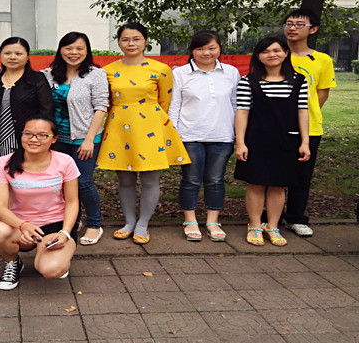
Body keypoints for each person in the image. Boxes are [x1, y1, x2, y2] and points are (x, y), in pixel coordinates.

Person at [97, 22, 190, 244]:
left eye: (136, 38)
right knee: (124, 179)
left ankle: (143, 223)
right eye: (125, 39)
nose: (131, 43)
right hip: (119, 127)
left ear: (145, 41)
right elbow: (105, 102)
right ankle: (129, 221)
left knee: (150, 179)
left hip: (151, 126)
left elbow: (165, 101)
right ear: (119, 42)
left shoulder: (160, 69)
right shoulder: (106, 71)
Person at [0, 114, 80, 290]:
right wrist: (23, 225)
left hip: (55, 225)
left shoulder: (65, 161)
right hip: (20, 226)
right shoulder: (3, 163)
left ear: (54, 139)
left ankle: (53, 256)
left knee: (51, 270)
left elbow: (72, 202)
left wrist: (65, 232)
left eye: (42, 135)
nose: (34, 139)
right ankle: (13, 262)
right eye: (28, 134)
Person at [234, 37, 310, 247]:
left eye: (276, 50)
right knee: (256, 183)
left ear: (286, 53)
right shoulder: (248, 81)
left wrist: (305, 142)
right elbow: (242, 112)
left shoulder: (299, 80)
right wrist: (240, 142)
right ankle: (255, 225)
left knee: (278, 186)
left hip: (287, 140)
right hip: (257, 140)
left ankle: (273, 226)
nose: (272, 55)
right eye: (265, 51)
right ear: (258, 56)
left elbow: (302, 111)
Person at [168, 31, 240, 242]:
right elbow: (175, 106)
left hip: (222, 135)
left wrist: (238, 134)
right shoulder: (181, 73)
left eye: (211, 48)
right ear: (192, 51)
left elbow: (236, 104)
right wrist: (174, 135)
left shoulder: (231, 72)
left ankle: (212, 221)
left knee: (216, 180)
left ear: (220, 49)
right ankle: (190, 220)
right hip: (190, 135)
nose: (206, 53)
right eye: (200, 48)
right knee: (191, 179)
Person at [43, 32, 109, 245]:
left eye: (79, 48)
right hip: (56, 139)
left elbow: (101, 107)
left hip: (84, 137)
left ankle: (95, 224)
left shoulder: (96, 75)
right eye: (68, 48)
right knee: (62, 183)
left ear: (87, 51)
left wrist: (89, 139)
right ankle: (72, 221)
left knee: (83, 182)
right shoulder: (48, 75)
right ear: (60, 50)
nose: (74, 53)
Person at [282, 9, 337, 237]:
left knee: (302, 175)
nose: (292, 28)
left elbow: (321, 94)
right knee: (271, 174)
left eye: (299, 24)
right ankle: (267, 217)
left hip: (309, 126)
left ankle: (295, 217)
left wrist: (303, 117)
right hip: (274, 126)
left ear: (312, 29)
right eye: (289, 23)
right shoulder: (275, 54)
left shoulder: (322, 60)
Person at [0, 37, 53, 166]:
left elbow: (46, 111)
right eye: (7, 53)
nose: (12, 57)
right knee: (1, 171)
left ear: (27, 56)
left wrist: (40, 137)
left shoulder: (37, 79)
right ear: (0, 55)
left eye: (18, 53)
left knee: (25, 173)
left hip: (29, 140)